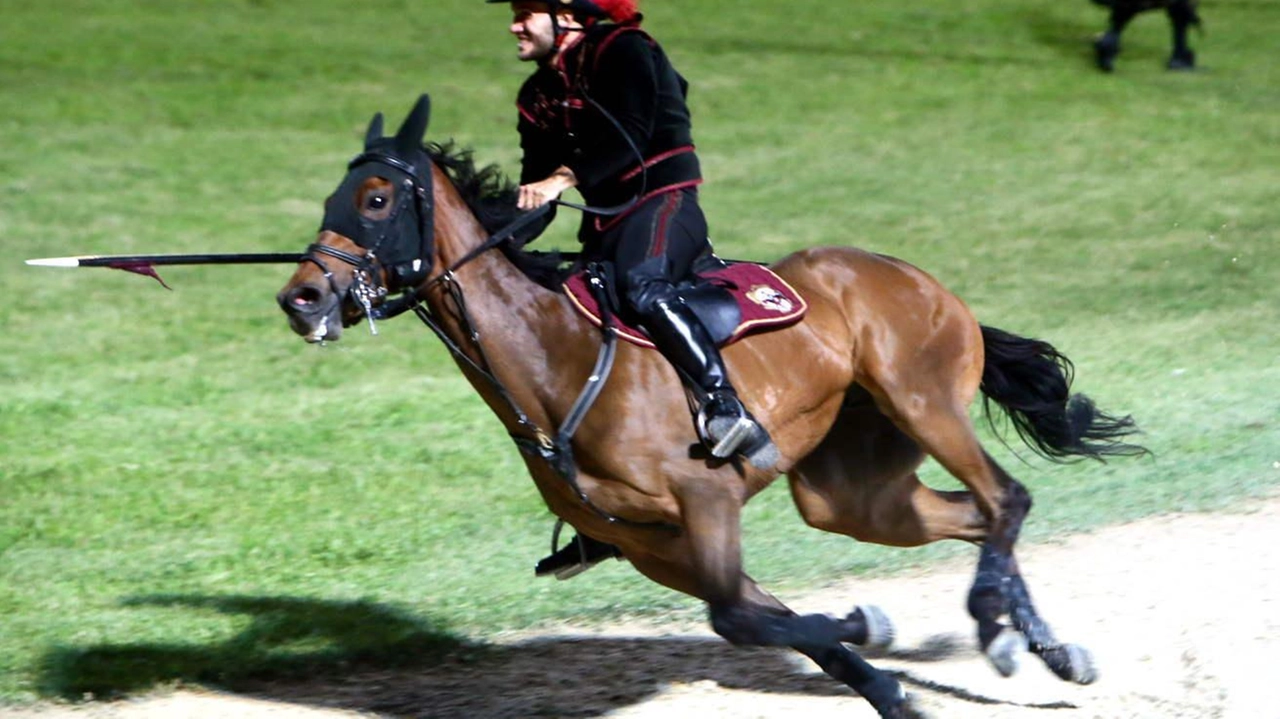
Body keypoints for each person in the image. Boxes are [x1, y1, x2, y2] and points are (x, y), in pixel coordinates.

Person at [487, 0, 778, 578]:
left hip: (663, 202)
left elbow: (633, 139)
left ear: (566, 15)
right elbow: (536, 191)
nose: (515, 24)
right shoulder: (536, 94)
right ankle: (605, 520)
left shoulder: (625, 51)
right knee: (573, 326)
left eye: (526, 13)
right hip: (607, 222)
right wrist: (489, 239)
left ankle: (727, 410)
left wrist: (561, 179)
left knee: (643, 289)